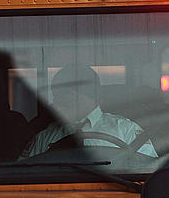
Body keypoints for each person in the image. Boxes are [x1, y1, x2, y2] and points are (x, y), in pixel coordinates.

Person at [21, 65, 156, 158]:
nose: (58, 103)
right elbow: (24, 174)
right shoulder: (44, 138)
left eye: (69, 97)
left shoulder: (126, 130)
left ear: (91, 97)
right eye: (57, 97)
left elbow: (148, 170)